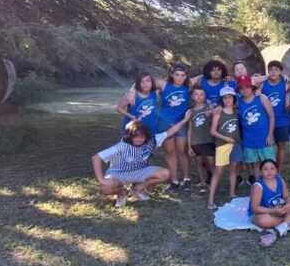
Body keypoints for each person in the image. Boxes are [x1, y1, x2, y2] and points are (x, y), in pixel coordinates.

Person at [92, 113, 191, 207]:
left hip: (140, 171)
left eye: (142, 136)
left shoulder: (152, 141)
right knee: (106, 188)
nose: (139, 139)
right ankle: (123, 193)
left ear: (146, 136)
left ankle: (137, 189)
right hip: (119, 174)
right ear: (129, 136)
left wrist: (185, 120)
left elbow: (170, 132)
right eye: (135, 136)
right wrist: (101, 180)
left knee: (166, 174)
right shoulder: (122, 146)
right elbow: (96, 158)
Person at [249, 159, 290, 248]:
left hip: (278, 208)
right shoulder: (258, 186)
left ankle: (282, 226)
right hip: (263, 212)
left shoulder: (279, 179)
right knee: (263, 221)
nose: (269, 172)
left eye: (272, 169)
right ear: (260, 172)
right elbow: (255, 208)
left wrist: (288, 205)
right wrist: (273, 211)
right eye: (265, 169)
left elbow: (286, 196)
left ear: (276, 170)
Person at [156, 63, 192, 193]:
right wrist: (132, 91)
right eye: (177, 75)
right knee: (170, 152)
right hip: (165, 124)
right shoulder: (165, 85)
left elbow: (203, 76)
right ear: (171, 75)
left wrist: (226, 76)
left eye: (183, 75)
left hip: (181, 123)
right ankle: (174, 181)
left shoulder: (188, 87)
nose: (179, 78)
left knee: (182, 151)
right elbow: (144, 82)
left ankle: (187, 179)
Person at [237, 74, 276, 182]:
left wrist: (270, 134)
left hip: (264, 137)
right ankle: (259, 186)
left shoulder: (261, 98)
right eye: (242, 88)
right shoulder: (238, 102)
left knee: (269, 163)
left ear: (252, 87)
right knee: (255, 164)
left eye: (247, 87)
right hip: (249, 139)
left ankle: (273, 186)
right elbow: (226, 104)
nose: (245, 90)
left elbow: (271, 116)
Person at [208, 86, 242, 211]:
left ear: (234, 98)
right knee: (218, 172)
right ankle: (210, 199)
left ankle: (232, 194)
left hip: (236, 144)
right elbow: (213, 131)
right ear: (222, 99)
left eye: (230, 97)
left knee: (234, 170)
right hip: (223, 145)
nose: (228, 100)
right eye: (225, 98)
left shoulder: (236, 112)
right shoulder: (219, 112)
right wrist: (226, 138)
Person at [261, 60, 290, 177]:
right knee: (268, 147)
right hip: (267, 122)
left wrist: (286, 76)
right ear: (268, 71)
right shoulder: (263, 84)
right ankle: (268, 171)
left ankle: (278, 171)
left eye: (276, 69)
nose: (273, 72)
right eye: (271, 69)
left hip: (282, 121)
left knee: (281, 147)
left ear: (281, 72)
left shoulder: (286, 84)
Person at [187, 86, 216, 193]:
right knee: (199, 162)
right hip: (196, 141)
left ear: (205, 96)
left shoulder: (209, 107)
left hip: (208, 140)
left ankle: (214, 180)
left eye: (201, 94)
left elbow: (216, 122)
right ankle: (203, 181)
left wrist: (211, 115)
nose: (199, 97)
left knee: (211, 162)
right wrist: (189, 145)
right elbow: (190, 129)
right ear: (192, 96)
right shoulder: (190, 111)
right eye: (196, 94)